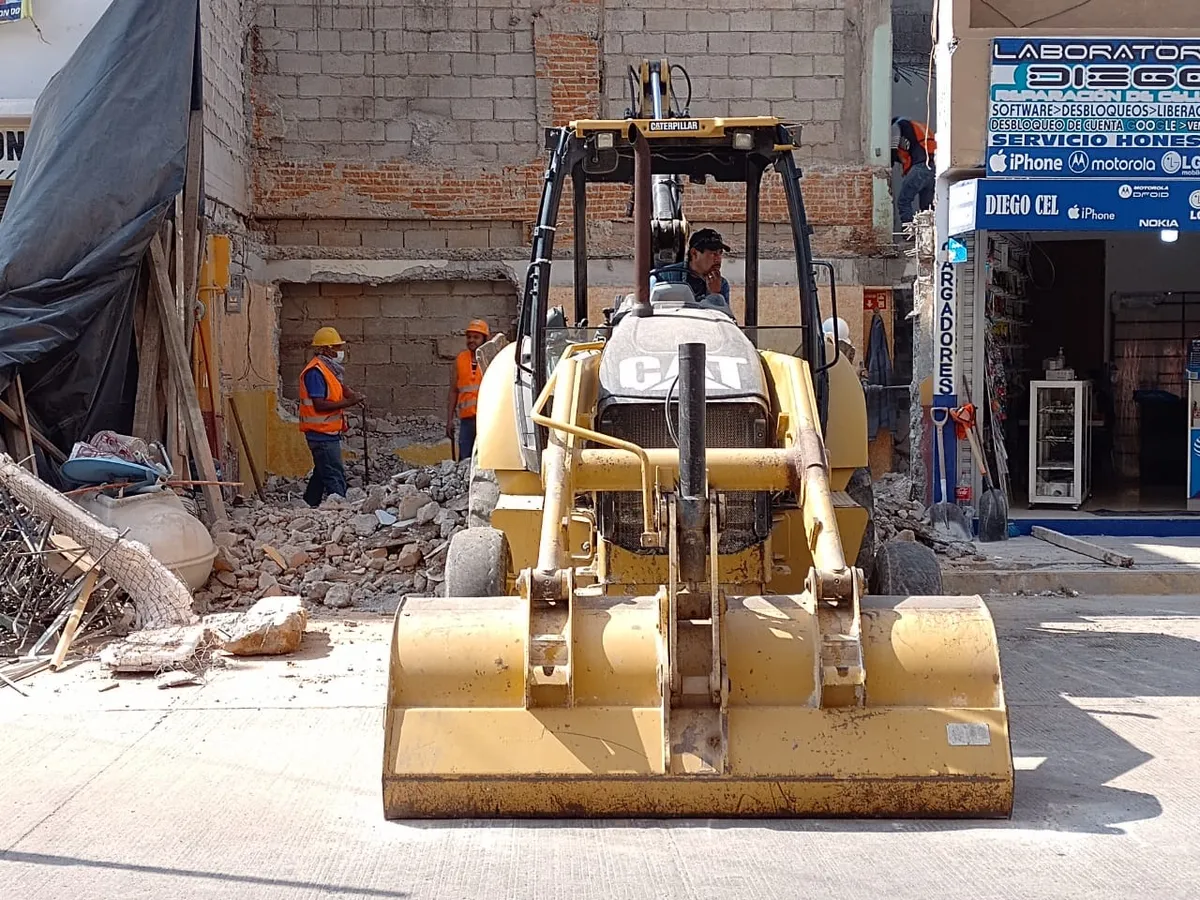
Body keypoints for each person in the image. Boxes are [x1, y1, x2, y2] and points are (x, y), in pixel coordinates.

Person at [298, 326, 365, 507]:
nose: (340, 351)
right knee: (334, 473)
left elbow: (340, 387)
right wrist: (348, 403)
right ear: (326, 349)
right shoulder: (315, 372)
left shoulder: (329, 369)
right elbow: (319, 405)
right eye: (336, 347)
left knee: (322, 471)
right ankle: (341, 509)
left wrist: (352, 395)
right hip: (320, 433)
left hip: (326, 431)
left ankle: (309, 503)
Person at [651, 227, 732, 314]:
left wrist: (715, 294)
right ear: (694, 253)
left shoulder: (721, 284)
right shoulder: (665, 277)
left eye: (720, 253)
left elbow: (723, 318)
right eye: (713, 254)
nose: (718, 259)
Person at [446, 319, 489, 462]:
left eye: (476, 337)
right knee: (465, 459)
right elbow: (453, 391)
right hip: (466, 420)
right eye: (469, 337)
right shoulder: (460, 360)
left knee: (484, 459)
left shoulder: (490, 359)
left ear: (484, 339)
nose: (471, 340)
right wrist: (449, 420)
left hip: (487, 419)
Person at [891, 116, 936, 225]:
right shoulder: (919, 127)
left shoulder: (898, 125)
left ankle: (908, 231)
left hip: (920, 167)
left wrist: (889, 164)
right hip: (933, 168)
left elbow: (893, 147)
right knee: (927, 206)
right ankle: (928, 233)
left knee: (904, 201)